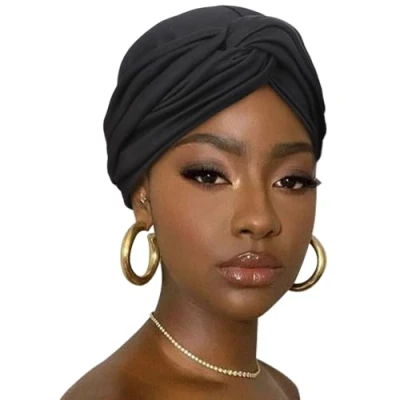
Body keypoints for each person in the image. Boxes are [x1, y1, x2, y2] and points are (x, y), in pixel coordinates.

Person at [61, 5, 327, 399]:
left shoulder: (281, 388)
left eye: (291, 180)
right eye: (208, 175)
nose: (259, 219)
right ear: (142, 195)